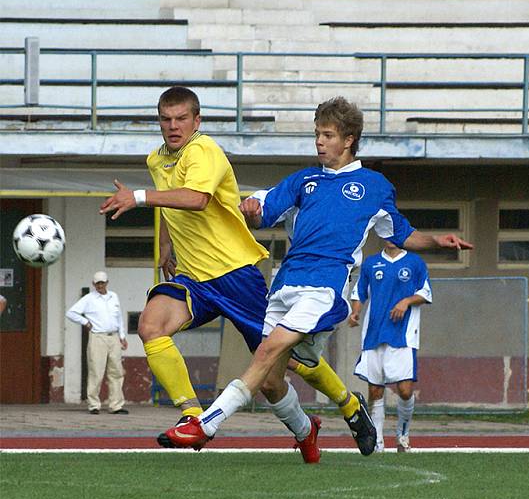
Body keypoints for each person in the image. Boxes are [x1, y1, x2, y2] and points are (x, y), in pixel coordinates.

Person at [157, 96, 472, 463]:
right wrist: (251, 211)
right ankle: (312, 430)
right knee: (273, 382)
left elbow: (401, 233)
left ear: (349, 140)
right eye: (317, 134)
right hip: (285, 284)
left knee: (268, 350)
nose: (319, 142)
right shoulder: (303, 180)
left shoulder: (374, 186)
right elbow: (262, 214)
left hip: (324, 287)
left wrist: (437, 241)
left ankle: (207, 424)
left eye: (327, 135)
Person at [99, 87, 377, 455]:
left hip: (236, 274)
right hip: (195, 279)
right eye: (166, 119)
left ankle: (349, 405)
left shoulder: (204, 151)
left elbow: (196, 199)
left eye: (182, 118)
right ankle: (194, 416)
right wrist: (167, 246)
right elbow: (173, 200)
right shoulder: (157, 160)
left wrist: (137, 197)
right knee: (150, 325)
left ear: (197, 121)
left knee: (281, 368)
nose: (173, 126)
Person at [348, 240, 432, 453]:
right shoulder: (371, 263)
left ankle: (403, 435)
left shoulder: (415, 262)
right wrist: (355, 311)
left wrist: (406, 302)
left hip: (403, 335)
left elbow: (425, 293)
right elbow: (359, 293)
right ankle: (377, 442)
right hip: (374, 333)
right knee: (375, 390)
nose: (389, 235)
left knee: (404, 390)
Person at [66, 271, 128, 414]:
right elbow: (71, 313)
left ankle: (116, 405)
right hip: (97, 337)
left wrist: (122, 336)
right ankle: (94, 404)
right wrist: (85, 322)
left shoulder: (114, 296)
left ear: (107, 282)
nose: (100, 285)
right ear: (94, 284)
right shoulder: (89, 299)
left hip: (113, 336)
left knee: (116, 371)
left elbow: (119, 318)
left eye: (102, 282)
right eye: (97, 283)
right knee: (96, 371)